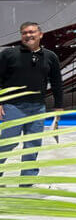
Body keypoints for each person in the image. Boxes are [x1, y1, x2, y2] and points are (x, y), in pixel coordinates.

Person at [0, 22, 64, 180]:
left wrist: (59, 106)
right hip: (13, 107)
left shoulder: (50, 56)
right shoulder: (9, 54)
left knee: (33, 145)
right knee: (7, 143)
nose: (28, 35)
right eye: (24, 33)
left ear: (40, 34)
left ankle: (27, 181)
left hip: (38, 108)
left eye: (32, 32)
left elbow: (56, 82)